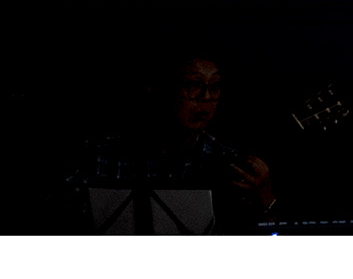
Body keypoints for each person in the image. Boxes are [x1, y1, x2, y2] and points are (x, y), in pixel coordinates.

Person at [75, 54, 276, 232]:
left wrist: (267, 201)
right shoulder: (103, 154)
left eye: (214, 87)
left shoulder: (227, 162)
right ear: (159, 88)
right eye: (193, 85)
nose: (206, 97)